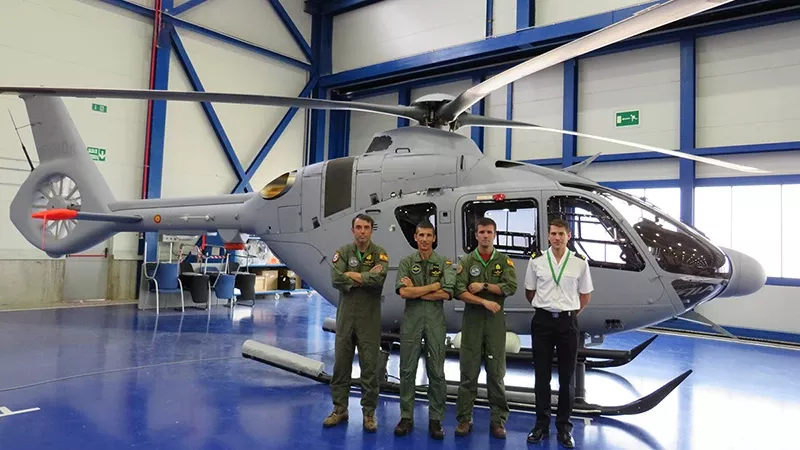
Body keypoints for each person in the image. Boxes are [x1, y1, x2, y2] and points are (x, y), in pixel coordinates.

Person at [523, 218, 593, 449]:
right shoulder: (537, 262)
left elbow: (584, 295)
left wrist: (568, 313)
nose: (557, 238)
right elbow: (529, 292)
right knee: (542, 377)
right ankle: (541, 426)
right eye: (553, 234)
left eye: (561, 234)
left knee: (567, 378)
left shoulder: (580, 263)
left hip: (567, 323)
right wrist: (547, 309)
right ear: (548, 236)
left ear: (568, 236)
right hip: (542, 322)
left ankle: (564, 428)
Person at [323, 214, 389, 432]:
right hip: (346, 318)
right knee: (341, 365)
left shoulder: (380, 253)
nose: (362, 231)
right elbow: (336, 279)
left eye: (366, 227)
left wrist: (352, 275)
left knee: (369, 368)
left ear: (371, 230)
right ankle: (339, 409)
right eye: (358, 227)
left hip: (369, 319)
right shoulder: (343, 252)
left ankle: (369, 413)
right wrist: (365, 277)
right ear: (353, 230)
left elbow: (378, 280)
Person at [453, 217, 517, 439]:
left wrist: (485, 286)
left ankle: (498, 421)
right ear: (476, 235)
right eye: (481, 232)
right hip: (472, 321)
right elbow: (458, 290)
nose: (485, 236)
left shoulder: (504, 261)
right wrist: (484, 301)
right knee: (468, 372)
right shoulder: (468, 261)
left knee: (496, 373)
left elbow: (511, 287)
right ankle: (464, 419)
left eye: (489, 232)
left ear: (495, 234)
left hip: (494, 324)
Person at [393, 220, 455, 440]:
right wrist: (432, 286)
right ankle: (406, 417)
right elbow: (403, 292)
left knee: (436, 371)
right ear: (415, 238)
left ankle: (436, 419)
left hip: (435, 321)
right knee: (407, 369)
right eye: (421, 235)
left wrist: (416, 290)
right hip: (412, 321)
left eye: (429, 235)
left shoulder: (445, 263)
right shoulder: (407, 262)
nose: (425, 239)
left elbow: (447, 293)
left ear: (434, 238)